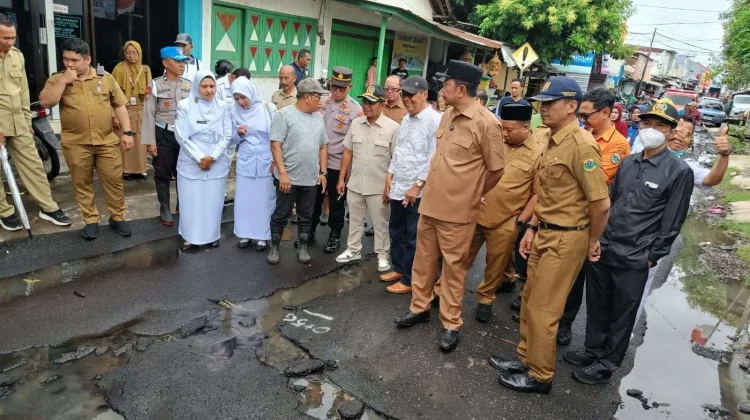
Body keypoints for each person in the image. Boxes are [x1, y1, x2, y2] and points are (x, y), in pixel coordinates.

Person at [491, 77, 610, 394]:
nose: (542, 109)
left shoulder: (582, 145)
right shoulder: (552, 139)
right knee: (530, 300)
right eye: (541, 103)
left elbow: (600, 203)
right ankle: (525, 358)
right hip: (545, 232)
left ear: (571, 106)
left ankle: (540, 375)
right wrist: (532, 228)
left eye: (550, 103)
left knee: (544, 310)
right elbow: (547, 193)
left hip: (566, 238)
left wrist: (593, 240)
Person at [563, 101, 693, 385]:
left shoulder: (678, 171)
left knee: (622, 313)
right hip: (605, 246)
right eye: (647, 123)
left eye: (660, 125)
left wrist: (652, 255)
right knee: (598, 305)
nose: (651, 129)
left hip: (636, 255)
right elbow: (610, 201)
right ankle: (593, 351)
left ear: (671, 130)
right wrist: (596, 238)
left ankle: (606, 364)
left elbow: (672, 220)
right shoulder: (628, 162)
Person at [393, 60, 505, 353]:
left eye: (446, 85)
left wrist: (475, 194)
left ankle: (451, 323)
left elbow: (496, 169)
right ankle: (420, 307)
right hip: (430, 204)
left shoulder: (487, 123)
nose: (442, 90)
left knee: (454, 269)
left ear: (462, 89)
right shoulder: (447, 115)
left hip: (458, 211)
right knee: (423, 262)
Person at [557, 87, 630, 346]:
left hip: (592, 220)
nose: (582, 120)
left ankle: (566, 323)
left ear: (607, 113)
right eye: (581, 115)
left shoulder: (618, 145)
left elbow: (598, 179)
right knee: (561, 271)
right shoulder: (579, 135)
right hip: (567, 214)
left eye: (587, 116)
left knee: (579, 274)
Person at [40, 38, 134, 240]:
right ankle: (91, 220)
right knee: (82, 183)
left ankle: (117, 217)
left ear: (87, 59)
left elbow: (119, 105)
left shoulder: (105, 78)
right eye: (65, 59)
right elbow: (47, 102)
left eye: (74, 60)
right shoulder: (58, 79)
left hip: (106, 142)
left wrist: (127, 133)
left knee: (114, 181)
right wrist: (64, 81)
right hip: (76, 143)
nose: (69, 64)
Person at [468, 104, 543, 323]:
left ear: (526, 127)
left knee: (495, 265)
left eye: (509, 130)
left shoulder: (539, 153)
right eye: (502, 128)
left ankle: (485, 299)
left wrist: (520, 222)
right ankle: (441, 290)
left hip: (507, 220)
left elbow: (537, 194)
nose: (504, 134)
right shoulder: (496, 143)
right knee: (460, 256)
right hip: (477, 212)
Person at [0, 15, 70, 231]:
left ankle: (48, 207)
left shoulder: (17, 56)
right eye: (5, 38)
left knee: (33, 164)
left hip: (17, 122)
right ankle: (4, 211)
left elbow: (22, 91)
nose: (10, 42)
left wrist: (26, 119)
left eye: (13, 38)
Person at [381, 76, 440, 293]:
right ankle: (398, 268)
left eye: (411, 95)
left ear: (424, 94)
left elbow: (433, 156)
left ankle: (408, 279)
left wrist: (417, 185)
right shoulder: (406, 119)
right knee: (396, 230)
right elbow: (400, 149)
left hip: (418, 191)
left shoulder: (435, 120)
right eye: (404, 94)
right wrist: (390, 173)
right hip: (399, 184)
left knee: (413, 236)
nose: (406, 99)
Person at [335, 85, 399, 269]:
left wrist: (390, 185)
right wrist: (341, 178)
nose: (366, 106)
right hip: (355, 183)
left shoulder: (393, 128)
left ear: (382, 104)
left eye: (371, 102)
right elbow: (348, 152)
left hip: (378, 186)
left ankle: (382, 254)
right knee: (354, 220)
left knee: (380, 223)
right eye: (365, 101)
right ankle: (353, 249)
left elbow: (396, 159)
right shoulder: (356, 123)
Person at [267, 78, 329, 264]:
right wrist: (283, 173)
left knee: (306, 215)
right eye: (318, 97)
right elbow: (275, 146)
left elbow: (323, 146)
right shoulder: (283, 115)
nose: (321, 101)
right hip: (287, 178)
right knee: (281, 214)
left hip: (310, 179)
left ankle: (303, 247)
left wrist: (323, 173)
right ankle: (275, 247)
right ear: (307, 97)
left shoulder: (318, 118)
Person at [174, 70, 231, 251]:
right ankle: (190, 237)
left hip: (216, 162)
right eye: (204, 86)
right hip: (191, 162)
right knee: (191, 202)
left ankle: (211, 235)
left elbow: (227, 134)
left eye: (212, 86)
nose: (209, 90)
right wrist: (200, 158)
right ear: (196, 87)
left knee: (212, 201)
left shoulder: (223, 106)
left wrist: (212, 157)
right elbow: (180, 135)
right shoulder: (185, 105)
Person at [311, 66, 362, 253]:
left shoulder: (356, 110)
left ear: (350, 87)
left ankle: (334, 235)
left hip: (337, 164)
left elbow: (355, 145)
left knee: (336, 203)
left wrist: (348, 172)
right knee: (313, 200)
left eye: (342, 88)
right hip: (316, 162)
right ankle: (309, 231)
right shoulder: (320, 102)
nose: (337, 91)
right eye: (334, 87)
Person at [142, 46, 192, 227]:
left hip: (184, 136)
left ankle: (181, 204)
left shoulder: (189, 85)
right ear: (165, 63)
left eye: (183, 61)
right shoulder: (155, 85)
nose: (181, 65)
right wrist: (150, 142)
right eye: (177, 61)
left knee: (183, 172)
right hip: (163, 134)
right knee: (162, 172)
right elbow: (148, 114)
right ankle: (164, 208)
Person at [230, 77, 275, 252]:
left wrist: (275, 161)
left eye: (243, 97)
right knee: (245, 199)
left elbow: (277, 137)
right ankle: (244, 233)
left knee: (264, 200)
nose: (241, 102)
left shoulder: (267, 109)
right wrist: (238, 134)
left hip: (266, 160)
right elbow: (230, 140)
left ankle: (263, 235)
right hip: (246, 161)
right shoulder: (233, 112)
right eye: (237, 98)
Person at [111, 40, 152, 181]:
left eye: (134, 53)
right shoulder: (119, 69)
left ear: (139, 54)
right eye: (128, 53)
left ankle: (141, 169)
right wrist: (114, 115)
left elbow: (150, 91)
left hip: (141, 109)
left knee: (140, 141)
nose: (131, 56)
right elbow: (112, 94)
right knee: (124, 139)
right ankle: (125, 170)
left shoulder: (145, 69)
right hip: (123, 109)